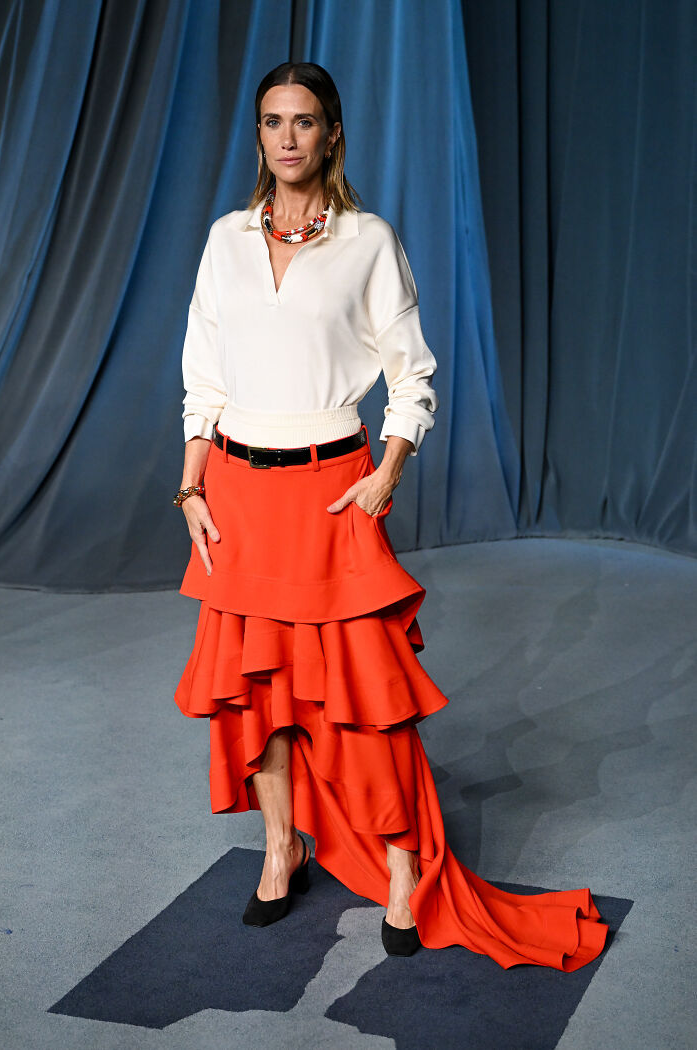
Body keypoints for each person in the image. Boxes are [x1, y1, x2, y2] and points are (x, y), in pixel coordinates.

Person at [173, 61, 608, 967]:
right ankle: (281, 845)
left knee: (368, 702)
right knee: (260, 691)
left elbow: (413, 374)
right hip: (241, 497)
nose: (286, 137)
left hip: (332, 491)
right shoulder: (223, 241)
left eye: (304, 121)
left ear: (332, 134)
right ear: (257, 136)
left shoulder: (368, 241)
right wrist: (191, 488)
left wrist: (388, 476)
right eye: (271, 121)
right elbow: (203, 380)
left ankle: (407, 871)